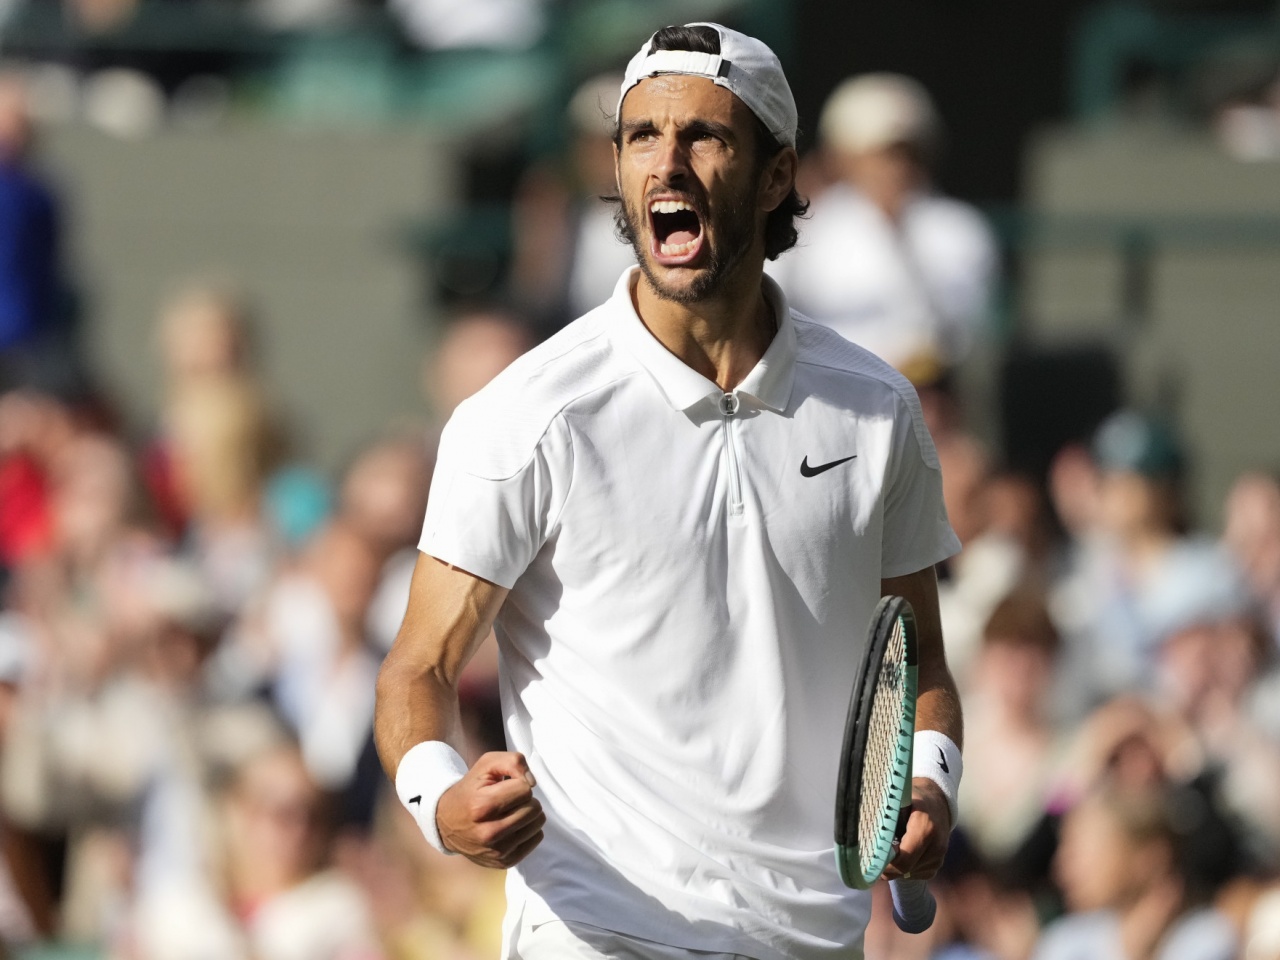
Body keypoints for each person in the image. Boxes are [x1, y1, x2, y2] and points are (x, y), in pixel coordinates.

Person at [375, 22, 964, 960]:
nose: (667, 164)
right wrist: (441, 800)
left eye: (705, 136)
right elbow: (419, 669)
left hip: (810, 937)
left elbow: (920, 663)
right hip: (596, 931)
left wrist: (930, 781)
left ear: (775, 176)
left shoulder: (877, 409)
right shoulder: (526, 414)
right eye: (642, 137)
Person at [766, 73, 999, 369]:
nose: (895, 168)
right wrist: (788, 214)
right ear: (840, 157)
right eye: (880, 154)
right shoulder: (812, 225)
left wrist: (898, 232)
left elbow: (956, 332)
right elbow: (771, 306)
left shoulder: (958, 228)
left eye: (907, 153)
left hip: (923, 387)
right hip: (825, 384)